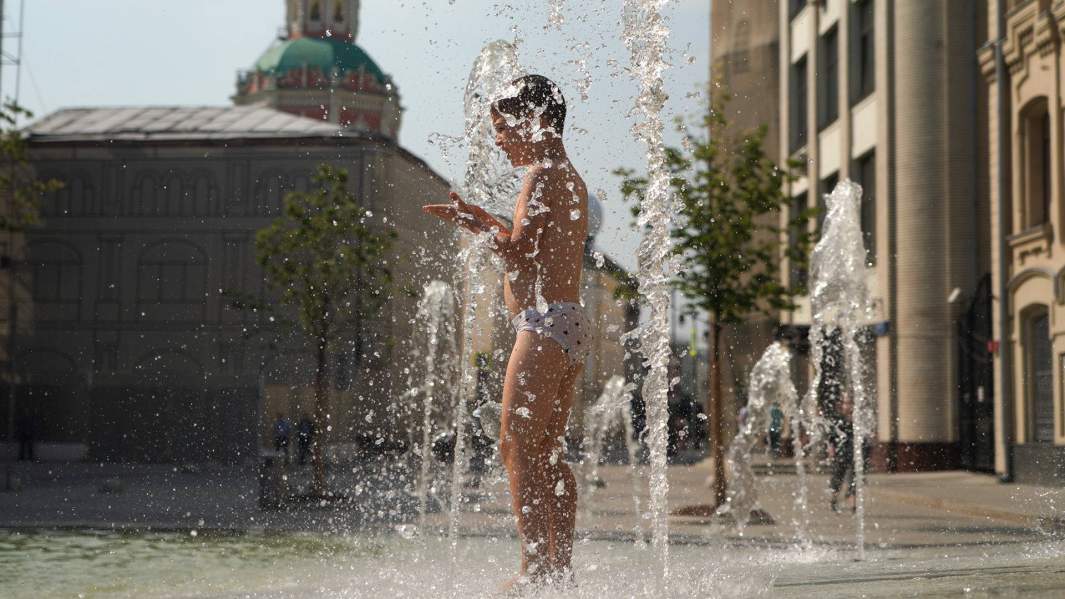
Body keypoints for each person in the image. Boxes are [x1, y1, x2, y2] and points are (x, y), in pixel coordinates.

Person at [423, 74, 588, 591]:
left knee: (515, 444)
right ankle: (559, 569)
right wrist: (489, 220)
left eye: (501, 127)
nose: (497, 139)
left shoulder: (540, 174)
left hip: (541, 326)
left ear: (534, 121)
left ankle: (535, 570)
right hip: (570, 321)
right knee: (548, 451)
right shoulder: (567, 174)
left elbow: (519, 253)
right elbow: (533, 245)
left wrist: (477, 227)